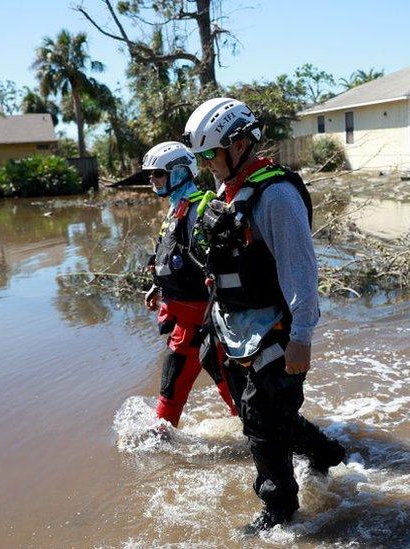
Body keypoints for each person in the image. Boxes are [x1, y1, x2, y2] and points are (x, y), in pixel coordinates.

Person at [181, 97, 346, 532]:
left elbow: (301, 270)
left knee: (261, 423)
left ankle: (280, 513)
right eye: (199, 157)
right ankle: (326, 453)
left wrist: (302, 336)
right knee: (265, 417)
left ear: (239, 145)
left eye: (209, 154)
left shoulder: (276, 196)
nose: (205, 164)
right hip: (236, 329)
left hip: (277, 331)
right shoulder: (225, 192)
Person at [141, 141, 237, 433]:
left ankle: (276, 444)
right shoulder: (175, 210)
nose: (152, 180)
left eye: (157, 174)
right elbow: (171, 255)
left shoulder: (201, 210)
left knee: (238, 395)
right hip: (184, 323)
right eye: (151, 174)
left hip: (210, 325)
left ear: (180, 172)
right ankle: (157, 445)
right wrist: (157, 286)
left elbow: (223, 264)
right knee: (170, 393)